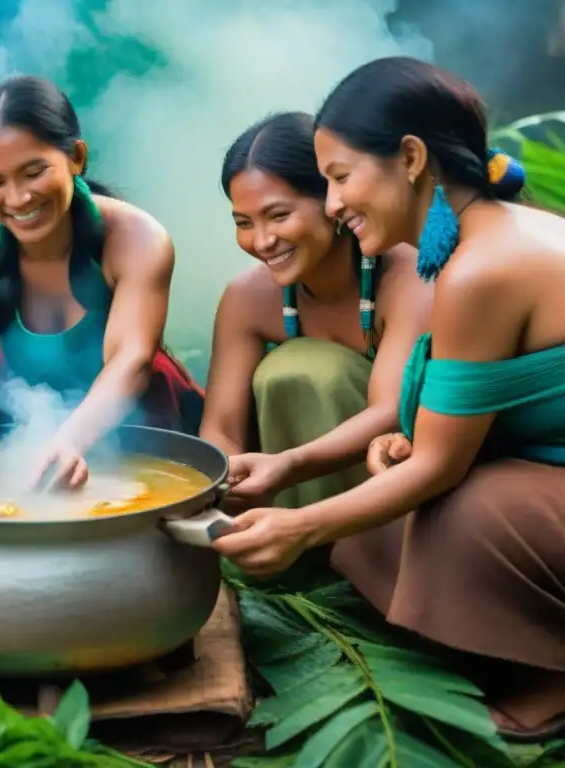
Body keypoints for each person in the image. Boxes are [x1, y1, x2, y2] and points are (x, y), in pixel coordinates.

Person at [212, 57, 565, 742]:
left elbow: (439, 466)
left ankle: (551, 674)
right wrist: (294, 469)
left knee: (455, 509)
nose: (336, 202)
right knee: (382, 524)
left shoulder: (480, 270)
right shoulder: (491, 235)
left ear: (409, 157)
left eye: (340, 178)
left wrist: (298, 526)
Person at [0, 75, 204, 490]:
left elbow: (131, 358)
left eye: (33, 172)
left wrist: (70, 438)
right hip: (18, 400)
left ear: (76, 157)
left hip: (132, 408)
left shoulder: (136, 238)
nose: (18, 198)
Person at [201, 112, 431, 511]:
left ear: (332, 199)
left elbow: (389, 412)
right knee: (287, 371)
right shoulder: (247, 296)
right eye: (243, 222)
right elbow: (221, 426)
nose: (262, 240)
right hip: (280, 492)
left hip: (399, 486)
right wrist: (226, 479)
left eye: (278, 215)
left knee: (310, 369)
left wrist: (287, 465)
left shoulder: (406, 276)